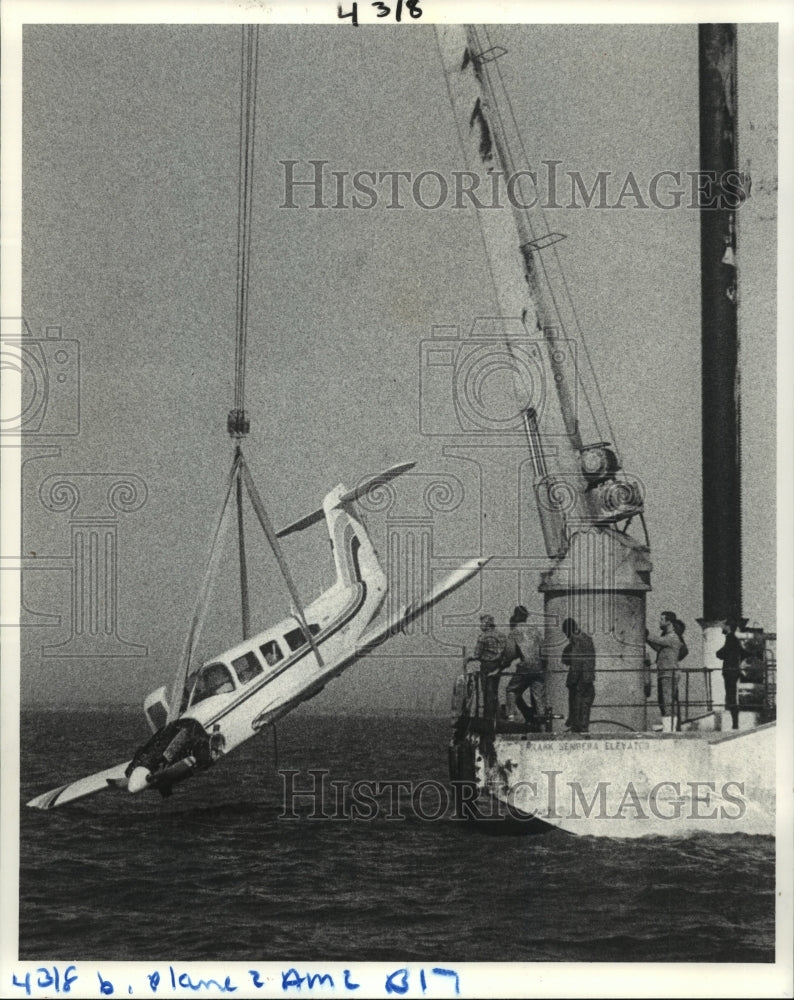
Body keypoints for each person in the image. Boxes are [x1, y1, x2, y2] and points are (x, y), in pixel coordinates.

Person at [503, 605, 545, 725]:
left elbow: (510, 654)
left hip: (525, 667)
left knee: (512, 690)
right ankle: (541, 724)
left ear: (515, 617)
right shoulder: (536, 630)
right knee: (538, 696)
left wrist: (502, 665)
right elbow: (543, 649)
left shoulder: (515, 632)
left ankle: (510, 718)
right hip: (539, 667)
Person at [645, 610, 684, 732]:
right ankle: (670, 727)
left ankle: (669, 728)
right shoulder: (668, 638)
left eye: (662, 619)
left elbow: (659, 642)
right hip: (664, 673)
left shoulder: (672, 637)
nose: (659, 621)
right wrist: (647, 639)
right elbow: (658, 647)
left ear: (669, 622)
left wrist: (646, 634)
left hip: (669, 673)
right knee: (664, 701)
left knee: (667, 702)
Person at [467, 613, 506, 720]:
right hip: (498, 666)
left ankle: (488, 717)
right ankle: (498, 715)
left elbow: (477, 654)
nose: (481, 626)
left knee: (486, 691)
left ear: (488, 624)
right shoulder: (501, 635)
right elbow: (504, 652)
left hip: (487, 665)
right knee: (494, 691)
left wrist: (468, 659)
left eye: (482, 623)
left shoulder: (483, 637)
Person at [562, 618, 596, 733]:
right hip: (588, 680)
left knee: (577, 712)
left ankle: (577, 731)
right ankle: (583, 732)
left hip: (579, 682)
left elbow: (576, 664)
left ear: (567, 631)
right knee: (585, 710)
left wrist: (571, 682)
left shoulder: (576, 640)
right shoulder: (587, 638)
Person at [716, 619, 744, 730]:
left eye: (724, 625)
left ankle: (735, 723)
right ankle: (734, 721)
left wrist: (718, 653)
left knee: (731, 695)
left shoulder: (730, 638)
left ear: (728, 626)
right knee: (731, 695)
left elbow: (722, 653)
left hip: (730, 670)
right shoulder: (735, 639)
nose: (722, 628)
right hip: (734, 670)